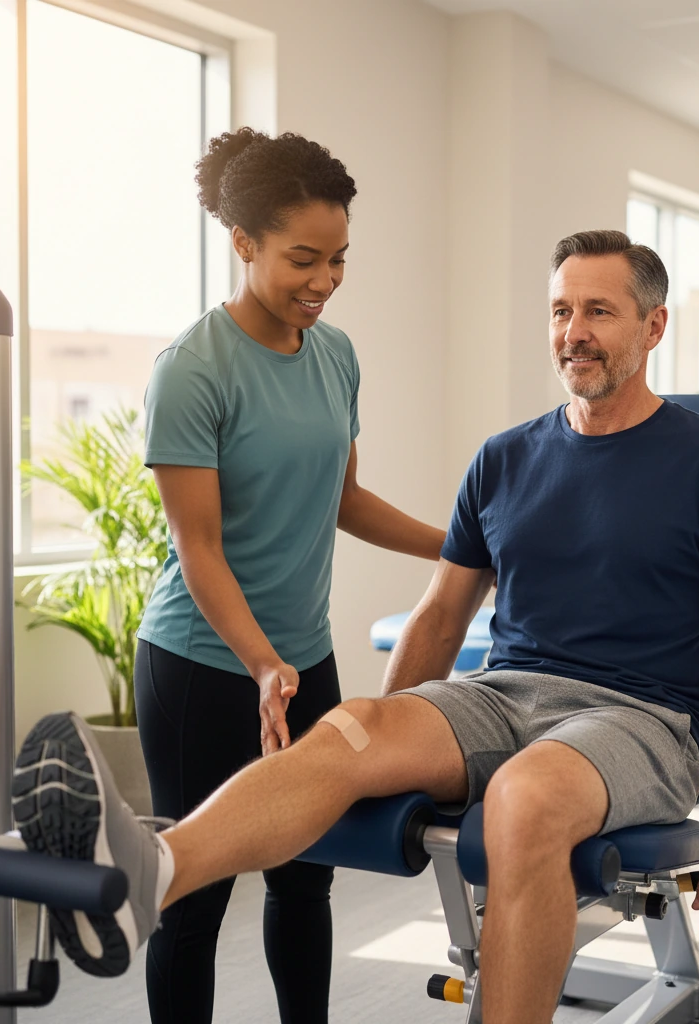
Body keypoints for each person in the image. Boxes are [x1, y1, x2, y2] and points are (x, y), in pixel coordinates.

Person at [13, 229, 699, 1024]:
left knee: (522, 800)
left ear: (653, 327)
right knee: (349, 726)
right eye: (560, 310)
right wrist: (385, 745)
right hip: (504, 697)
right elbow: (442, 614)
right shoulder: (505, 458)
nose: (574, 332)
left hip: (640, 718)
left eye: (599, 311)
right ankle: (147, 874)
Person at [131, 128, 445, 1024]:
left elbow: (343, 499)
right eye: (303, 259)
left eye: (339, 259)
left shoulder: (336, 356)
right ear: (243, 243)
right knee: (192, 903)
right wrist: (261, 663)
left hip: (303, 663)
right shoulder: (193, 371)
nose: (324, 281)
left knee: (307, 881)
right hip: (204, 666)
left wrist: (458, 548)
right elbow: (200, 549)